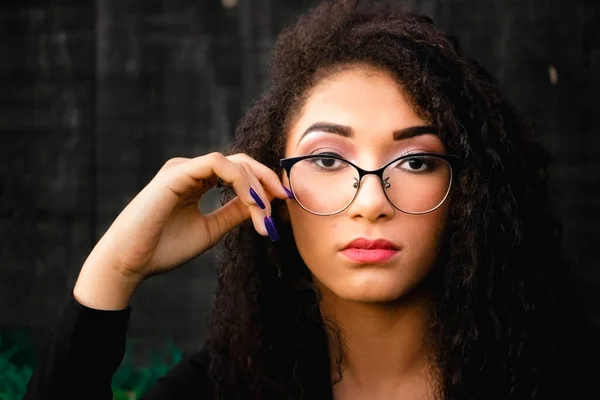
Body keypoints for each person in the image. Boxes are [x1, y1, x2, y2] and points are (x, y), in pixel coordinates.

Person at [23, 0, 597, 399]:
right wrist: (115, 270)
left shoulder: (557, 376)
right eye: (327, 159)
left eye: (416, 161)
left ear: (469, 195)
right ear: (274, 187)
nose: (371, 200)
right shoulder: (228, 386)